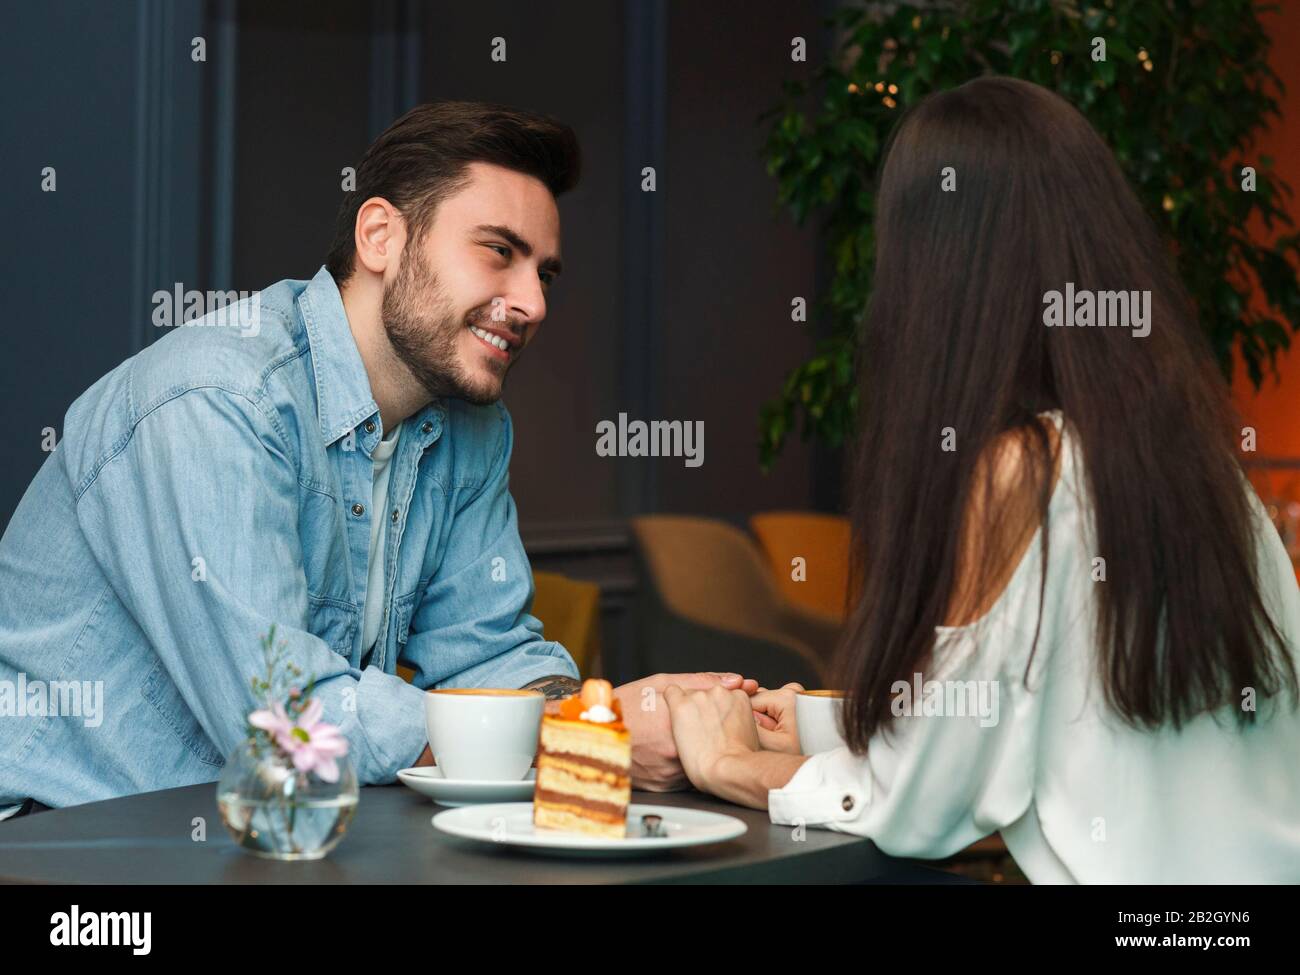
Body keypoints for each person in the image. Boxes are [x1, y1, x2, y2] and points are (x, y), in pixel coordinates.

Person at [0, 101, 758, 819]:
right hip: (60, 840)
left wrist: (608, 712)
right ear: (380, 238)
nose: (533, 302)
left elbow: (484, 648)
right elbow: (287, 723)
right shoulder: (217, 399)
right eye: (500, 251)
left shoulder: (471, 427)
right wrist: (580, 737)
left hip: (259, 835)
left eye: (545, 273)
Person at [664, 76, 1300, 883]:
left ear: (937, 276)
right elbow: (1052, 726)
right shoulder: (1208, 475)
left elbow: (923, 809)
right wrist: (827, 728)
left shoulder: (1021, 471)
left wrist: (727, 762)